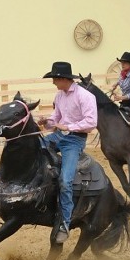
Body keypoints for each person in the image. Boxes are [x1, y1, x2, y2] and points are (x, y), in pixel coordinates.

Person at [37, 61, 98, 244]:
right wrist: (46, 122)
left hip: (74, 140)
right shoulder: (60, 95)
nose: (53, 82)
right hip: (58, 136)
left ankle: (64, 222)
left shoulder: (85, 96)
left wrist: (68, 126)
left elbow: (91, 122)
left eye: (55, 79)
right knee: (34, 149)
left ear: (64, 79)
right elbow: (56, 120)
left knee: (65, 180)